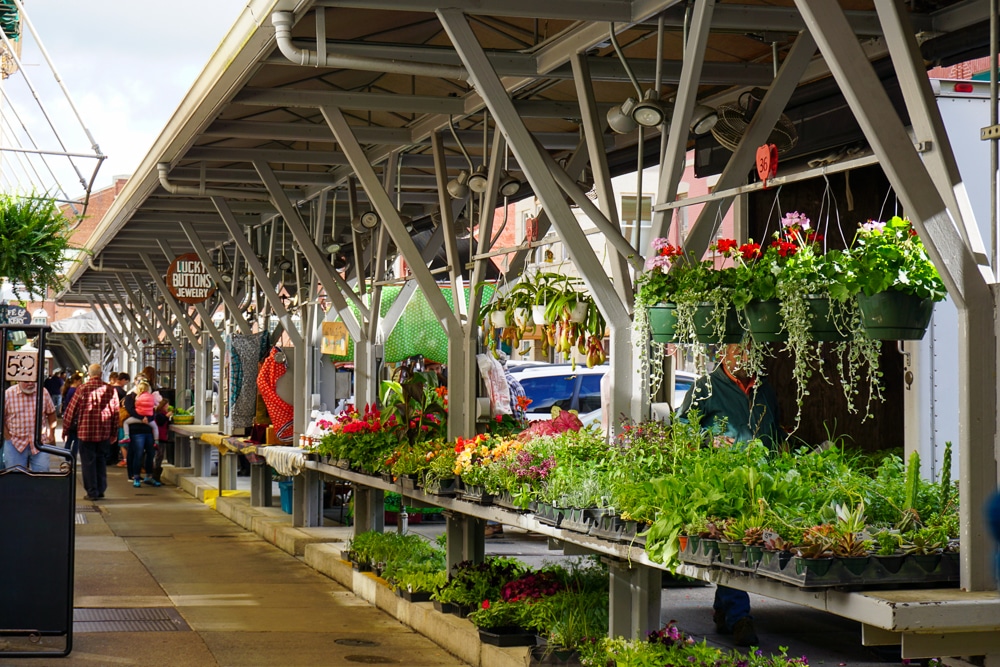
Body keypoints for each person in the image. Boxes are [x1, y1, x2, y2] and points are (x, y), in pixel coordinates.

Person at [677, 344, 785, 647]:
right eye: (740, 349)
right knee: (733, 546)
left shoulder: (764, 390)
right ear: (724, 353)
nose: (746, 356)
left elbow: (775, 430)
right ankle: (740, 617)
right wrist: (709, 439)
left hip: (760, 482)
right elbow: (682, 426)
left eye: (752, 349)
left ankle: (724, 608)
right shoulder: (706, 387)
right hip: (723, 482)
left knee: (734, 548)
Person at [63, 364, 120, 501]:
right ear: (101, 374)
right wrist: (114, 433)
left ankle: (92, 491)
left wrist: (66, 428)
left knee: (88, 463)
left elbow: (71, 410)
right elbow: (115, 413)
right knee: (101, 461)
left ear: (89, 374)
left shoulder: (81, 389)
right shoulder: (111, 389)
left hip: (85, 433)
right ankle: (101, 489)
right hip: (103, 433)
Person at [3, 380, 57, 472]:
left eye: (33, 381)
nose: (31, 384)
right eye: (26, 381)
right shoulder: (8, 394)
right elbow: (1, 417)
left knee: (42, 473)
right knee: (15, 477)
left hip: (39, 442)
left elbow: (51, 412)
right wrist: (7, 437)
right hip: (15, 442)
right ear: (19, 380)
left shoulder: (43, 392)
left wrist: (52, 433)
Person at [123, 377, 160, 488]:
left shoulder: (144, 397)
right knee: (138, 454)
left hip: (146, 430)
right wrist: (144, 418)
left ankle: (148, 476)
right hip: (137, 430)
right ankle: (136, 476)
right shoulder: (130, 397)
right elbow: (130, 410)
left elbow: (152, 411)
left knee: (150, 454)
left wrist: (146, 418)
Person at [113, 373, 130, 467]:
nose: (125, 384)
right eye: (126, 382)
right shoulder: (122, 392)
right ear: (123, 380)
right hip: (121, 417)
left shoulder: (111, 388)